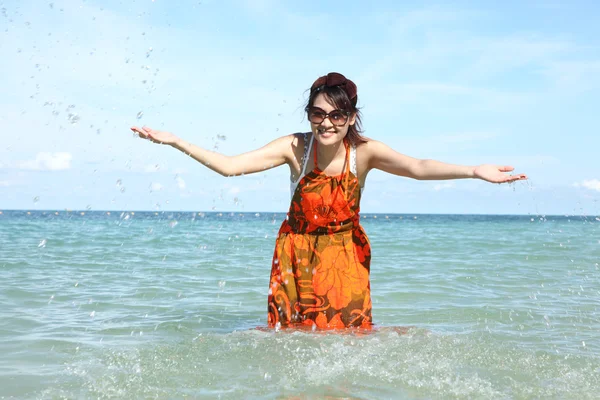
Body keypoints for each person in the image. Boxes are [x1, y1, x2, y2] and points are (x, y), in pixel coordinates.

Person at [130, 72, 527, 331]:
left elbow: (418, 167)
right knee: (291, 339)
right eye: (318, 114)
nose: (327, 123)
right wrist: (176, 141)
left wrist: (474, 170)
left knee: (350, 338)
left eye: (338, 115)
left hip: (345, 255)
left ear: (352, 117)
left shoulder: (364, 152)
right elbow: (230, 166)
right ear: (309, 115)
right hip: (296, 253)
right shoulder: (294, 148)